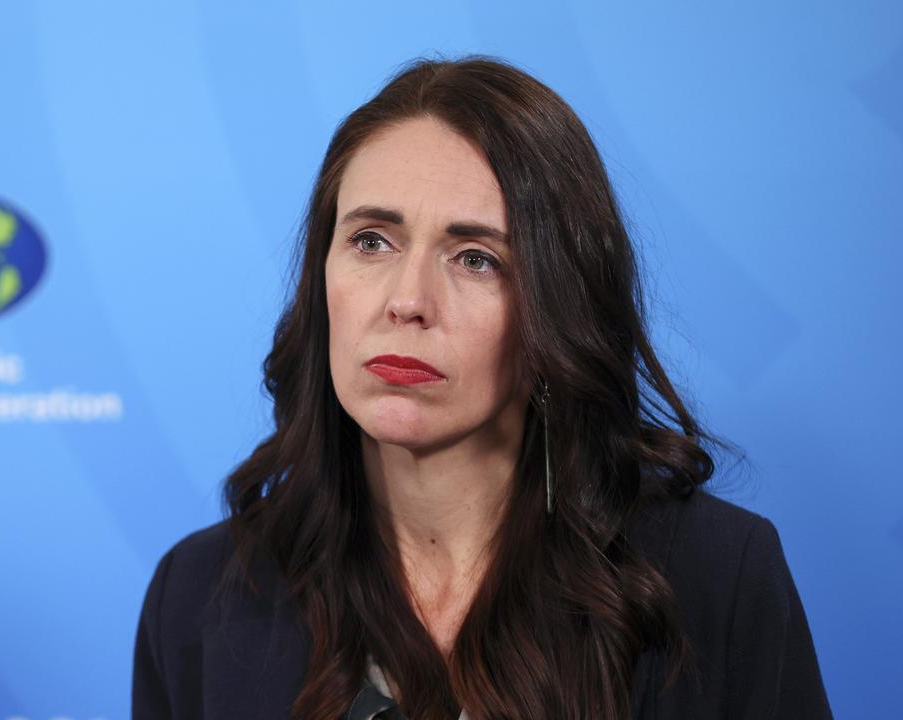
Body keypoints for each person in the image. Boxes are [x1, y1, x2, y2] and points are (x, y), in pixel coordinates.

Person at [131, 55, 832, 720]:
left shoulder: (715, 576)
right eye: (372, 241)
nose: (407, 301)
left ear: (559, 303)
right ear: (321, 277)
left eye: (475, 259)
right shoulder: (197, 593)